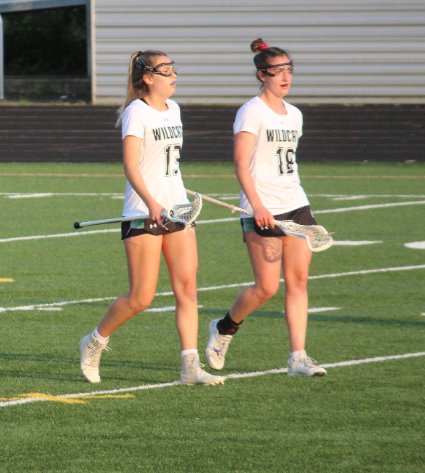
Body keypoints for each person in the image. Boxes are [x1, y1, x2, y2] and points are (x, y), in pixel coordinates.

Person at [79, 50, 224, 386]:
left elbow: (168, 164)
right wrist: (152, 201)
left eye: (175, 68)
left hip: (178, 211)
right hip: (143, 212)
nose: (173, 75)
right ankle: (95, 341)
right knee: (141, 297)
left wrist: (177, 194)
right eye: (165, 70)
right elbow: (131, 165)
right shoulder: (136, 112)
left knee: (187, 290)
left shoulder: (174, 109)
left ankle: (190, 366)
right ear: (147, 77)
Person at [206, 38, 326, 376]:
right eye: (277, 71)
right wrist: (256, 205)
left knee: (298, 280)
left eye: (289, 69)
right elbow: (241, 164)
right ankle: (224, 327)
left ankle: (298, 357)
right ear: (262, 75)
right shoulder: (251, 111)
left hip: (296, 204)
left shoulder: (295, 114)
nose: (285, 77)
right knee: (267, 287)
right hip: (263, 209)